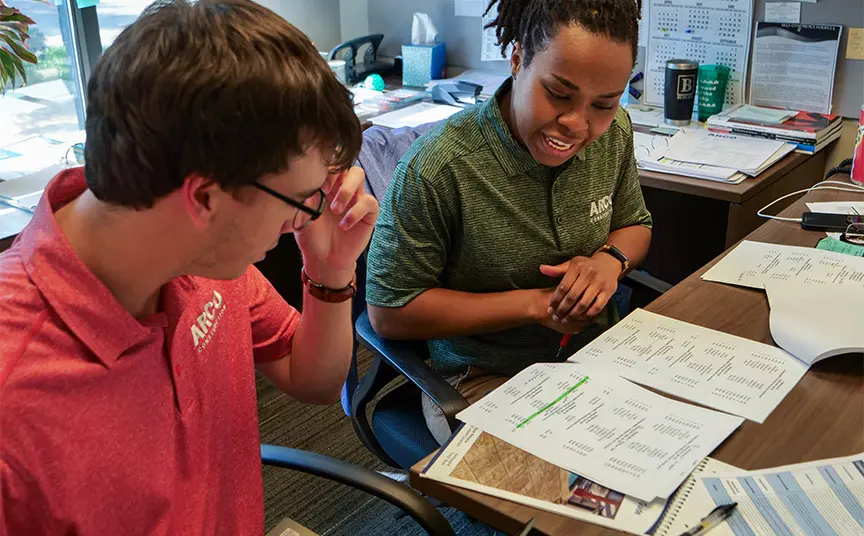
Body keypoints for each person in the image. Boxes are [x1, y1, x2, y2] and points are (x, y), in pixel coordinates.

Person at [0, 1, 378, 534]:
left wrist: (330, 266)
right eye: (300, 198)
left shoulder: (200, 261)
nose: (304, 218)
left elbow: (312, 379)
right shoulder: (15, 396)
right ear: (204, 197)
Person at [366, 0, 652, 445]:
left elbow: (635, 224)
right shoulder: (439, 168)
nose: (578, 124)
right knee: (568, 475)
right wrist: (537, 306)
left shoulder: (613, 134)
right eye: (558, 94)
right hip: (482, 377)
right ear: (517, 59)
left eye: (604, 104)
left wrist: (608, 262)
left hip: (598, 357)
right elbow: (389, 312)